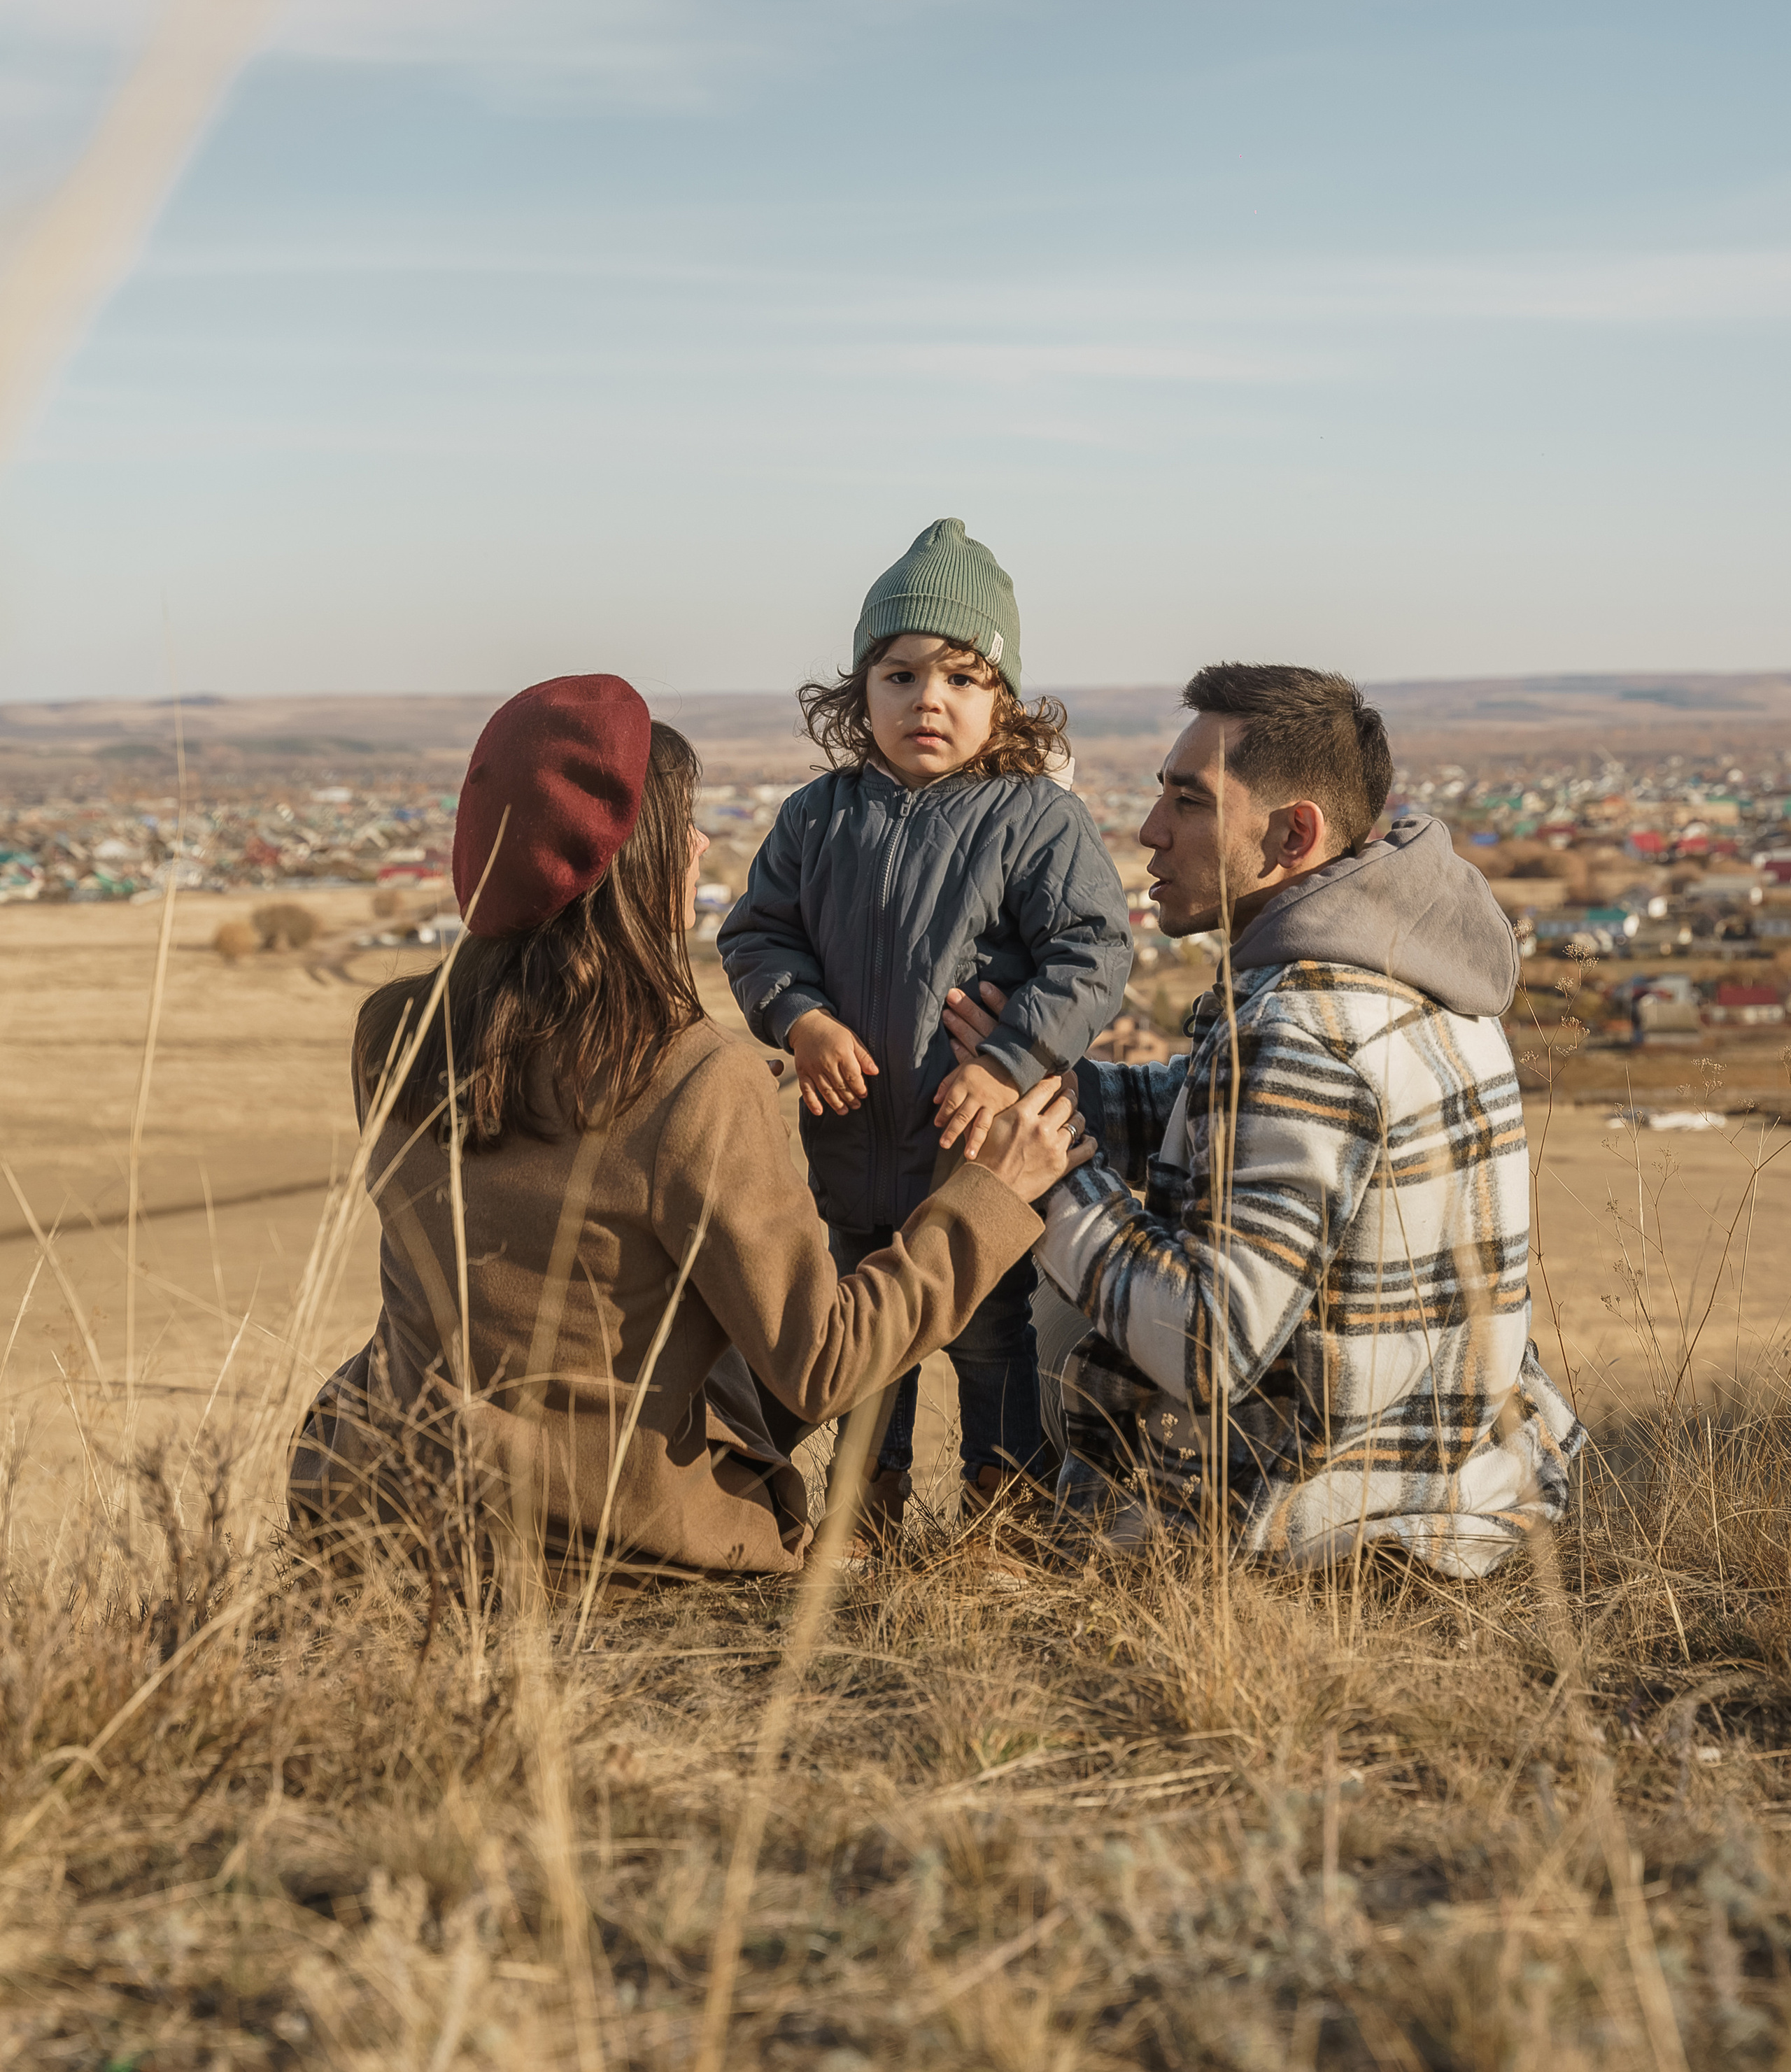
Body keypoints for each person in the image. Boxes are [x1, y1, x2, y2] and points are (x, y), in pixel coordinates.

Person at [286, 673, 1088, 1584]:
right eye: (682, 824)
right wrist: (988, 1195)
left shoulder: (392, 1032)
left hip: (380, 1501)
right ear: (624, 859)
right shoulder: (691, 1079)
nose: (703, 844)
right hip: (614, 1544)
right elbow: (824, 1365)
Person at [942, 661, 1588, 1580]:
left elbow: (1207, 1346)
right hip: (1466, 1476)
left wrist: (1049, 1177)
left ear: (1292, 833)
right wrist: (1044, 1085)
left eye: (1189, 803)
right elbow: (1214, 1118)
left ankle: (1015, 1518)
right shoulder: (1412, 965)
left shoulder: (1301, 1036)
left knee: (1045, 1272)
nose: (1150, 832)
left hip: (1327, 1525)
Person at [718, 519, 1131, 1542]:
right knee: (865, 1338)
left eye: (962, 676)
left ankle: (1003, 1522)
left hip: (974, 1156)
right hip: (854, 1148)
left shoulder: (1035, 820)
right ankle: (864, 1517)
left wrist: (1006, 1061)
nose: (928, 700)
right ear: (860, 694)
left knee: (991, 1338)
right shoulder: (818, 818)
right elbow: (758, 935)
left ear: (1005, 699)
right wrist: (801, 1019)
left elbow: (1094, 954)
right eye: (899, 675)